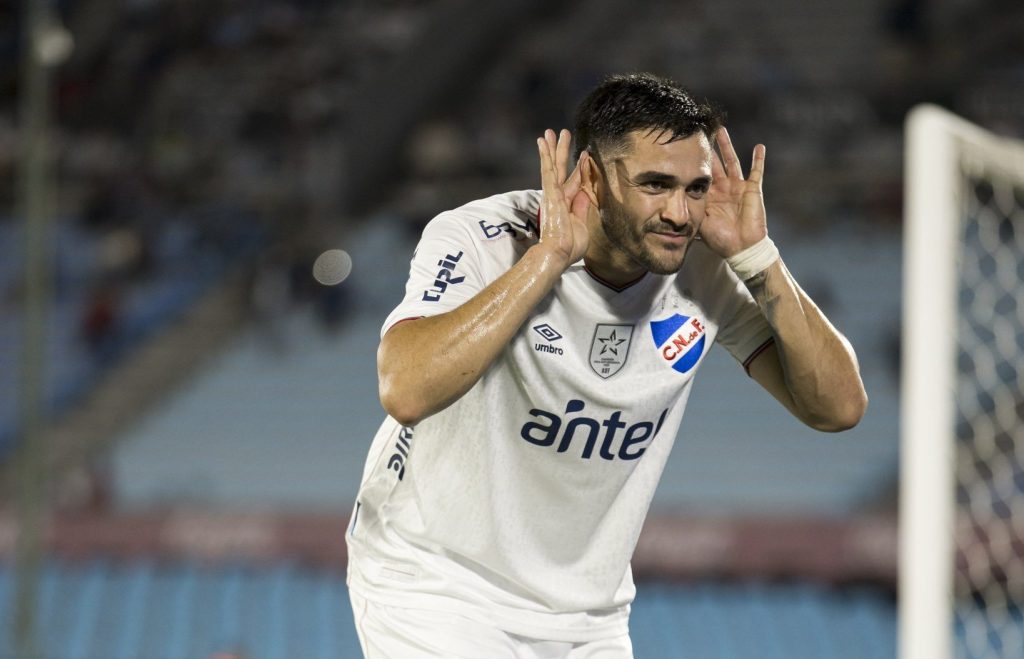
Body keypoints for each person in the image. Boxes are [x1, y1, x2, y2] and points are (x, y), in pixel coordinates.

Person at [346, 73, 868, 658]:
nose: (680, 212)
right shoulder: (482, 237)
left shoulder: (708, 271)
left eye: (696, 188)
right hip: (437, 584)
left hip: (587, 616)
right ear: (593, 176)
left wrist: (758, 257)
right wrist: (547, 260)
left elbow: (839, 408)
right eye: (655, 184)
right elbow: (405, 389)